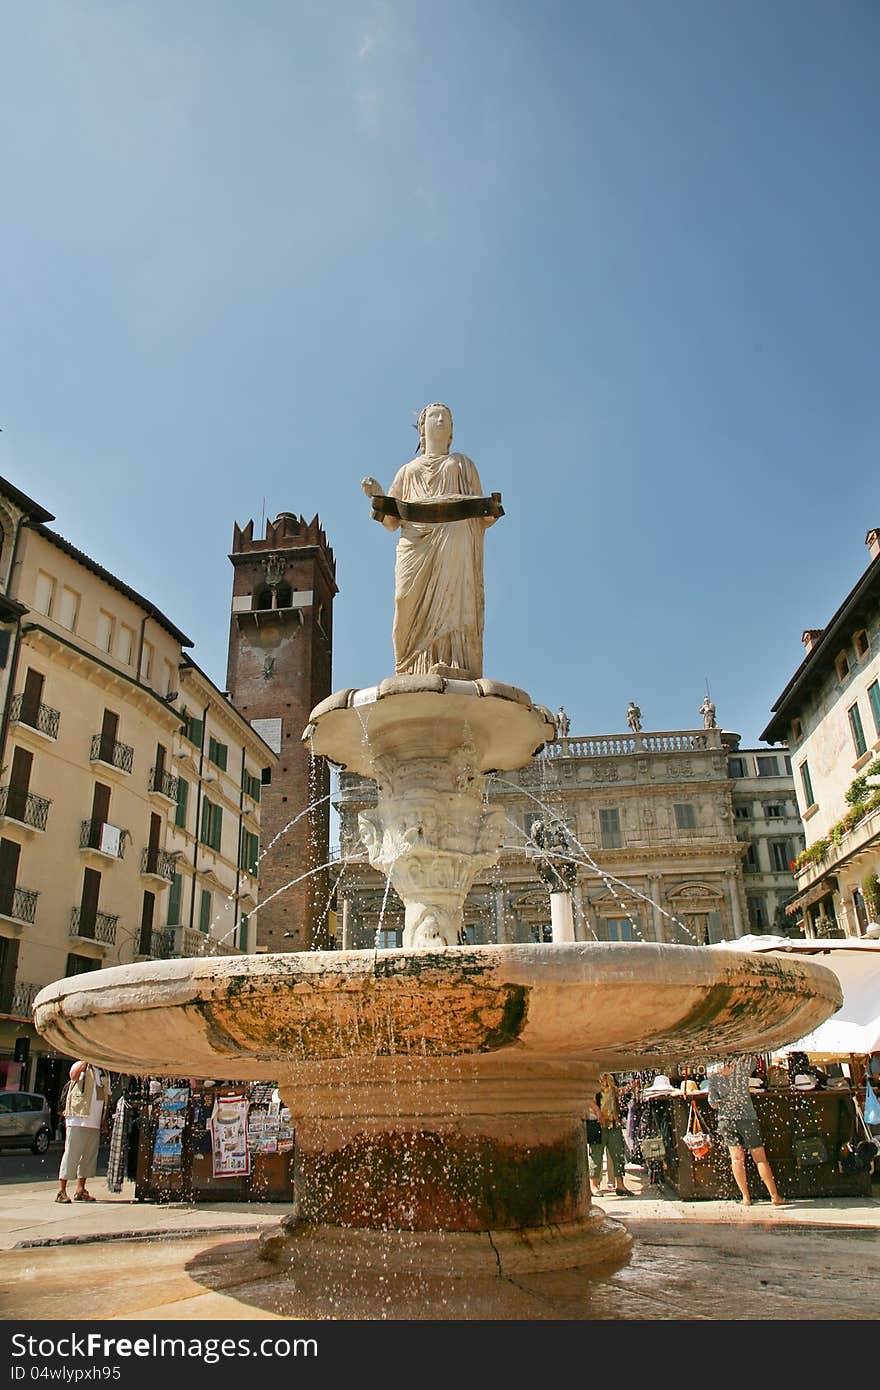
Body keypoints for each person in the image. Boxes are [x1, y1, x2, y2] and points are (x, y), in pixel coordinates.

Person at [361, 402, 501, 680]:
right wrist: (376, 496)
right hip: (415, 541)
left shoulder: (462, 464)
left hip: (455, 536)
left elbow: (482, 513)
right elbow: (391, 522)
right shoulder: (407, 471)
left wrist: (492, 512)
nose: (440, 420)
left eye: (446, 418)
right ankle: (409, 666)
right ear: (421, 429)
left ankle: (455, 662)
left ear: (451, 432)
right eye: (434, 416)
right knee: (404, 599)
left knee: (454, 599)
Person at [706, 1056, 785, 1207]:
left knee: (736, 1159)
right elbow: (754, 1060)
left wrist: (725, 1100)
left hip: (726, 1120)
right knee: (760, 1159)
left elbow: (713, 1103)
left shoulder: (713, 1076)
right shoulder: (742, 1068)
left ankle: (746, 1198)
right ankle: (774, 1196)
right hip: (747, 1118)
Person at [55, 1059, 110, 1203]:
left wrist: (103, 1119)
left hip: (94, 1120)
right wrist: (85, 1060)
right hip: (78, 1116)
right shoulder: (81, 1065)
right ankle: (61, 1191)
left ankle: (81, 1189)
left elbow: (105, 1096)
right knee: (72, 1153)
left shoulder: (103, 1071)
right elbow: (73, 1075)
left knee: (88, 1156)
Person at [589, 1072, 634, 1196]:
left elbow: (615, 1093)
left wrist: (630, 1087)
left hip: (614, 1122)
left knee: (618, 1153)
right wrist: (597, 1112)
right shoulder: (593, 1076)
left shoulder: (610, 1077)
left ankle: (620, 1184)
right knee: (596, 1154)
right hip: (598, 1122)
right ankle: (593, 1185)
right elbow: (587, 1097)